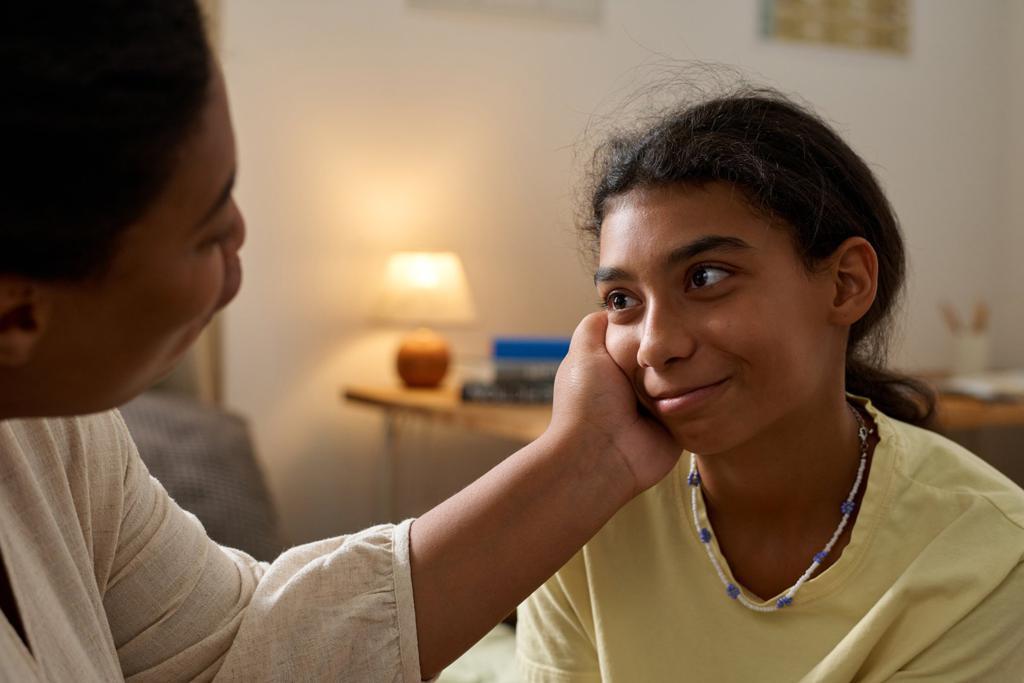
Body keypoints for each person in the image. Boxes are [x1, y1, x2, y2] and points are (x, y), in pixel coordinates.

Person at [0, 3, 683, 681]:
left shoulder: (58, 434)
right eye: (208, 237)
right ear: (17, 317)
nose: (240, 253)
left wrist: (589, 459)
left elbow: (238, 645)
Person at [516, 89, 1024, 681]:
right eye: (622, 301)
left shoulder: (987, 554)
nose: (655, 344)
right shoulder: (580, 522)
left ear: (845, 284)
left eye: (705, 277)